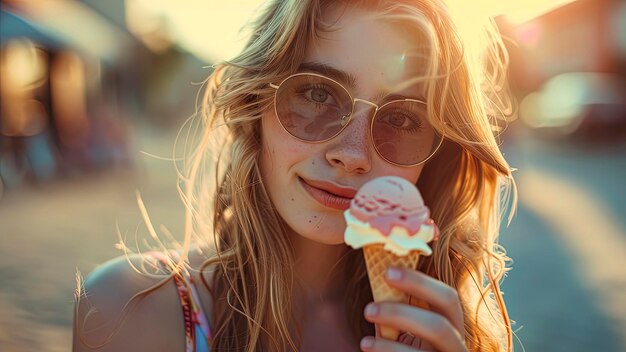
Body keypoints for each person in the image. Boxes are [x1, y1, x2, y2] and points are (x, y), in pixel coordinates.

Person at [73, 0, 517, 351]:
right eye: (317, 93)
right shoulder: (128, 311)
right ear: (254, 107)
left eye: (402, 120)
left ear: (438, 155)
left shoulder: (453, 337)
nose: (352, 155)